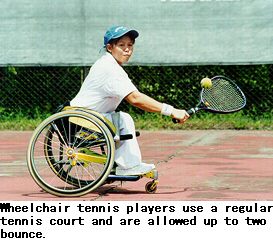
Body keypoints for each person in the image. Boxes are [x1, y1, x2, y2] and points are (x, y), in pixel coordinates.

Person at [70, 26, 190, 176]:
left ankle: (126, 164)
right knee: (123, 119)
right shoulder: (110, 69)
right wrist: (171, 111)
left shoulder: (109, 64)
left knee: (120, 118)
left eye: (130, 45)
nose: (127, 49)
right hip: (82, 122)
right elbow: (136, 98)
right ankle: (129, 166)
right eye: (121, 45)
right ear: (110, 47)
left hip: (85, 118)